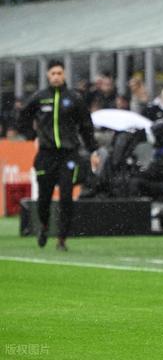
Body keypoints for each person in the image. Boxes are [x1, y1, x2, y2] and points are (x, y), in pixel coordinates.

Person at [17, 60, 100, 251]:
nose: (56, 77)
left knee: (66, 196)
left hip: (68, 154)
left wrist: (92, 149)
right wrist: (31, 135)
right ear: (48, 75)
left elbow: (86, 126)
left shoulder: (74, 98)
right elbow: (22, 117)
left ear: (64, 75)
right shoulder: (39, 97)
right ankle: (44, 225)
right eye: (53, 73)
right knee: (44, 197)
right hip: (46, 154)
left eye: (59, 73)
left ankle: (62, 238)